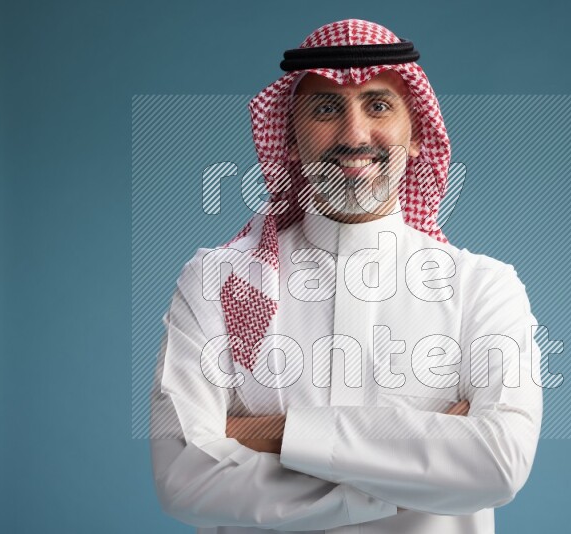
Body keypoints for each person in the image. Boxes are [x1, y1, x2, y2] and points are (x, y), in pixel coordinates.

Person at [149, 18, 543, 534]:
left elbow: (497, 464)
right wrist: (413, 473)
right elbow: (185, 478)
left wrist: (274, 433)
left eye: (378, 104)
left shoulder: (483, 288)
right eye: (326, 108)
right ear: (289, 141)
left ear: (418, 133)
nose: (355, 135)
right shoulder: (216, 280)